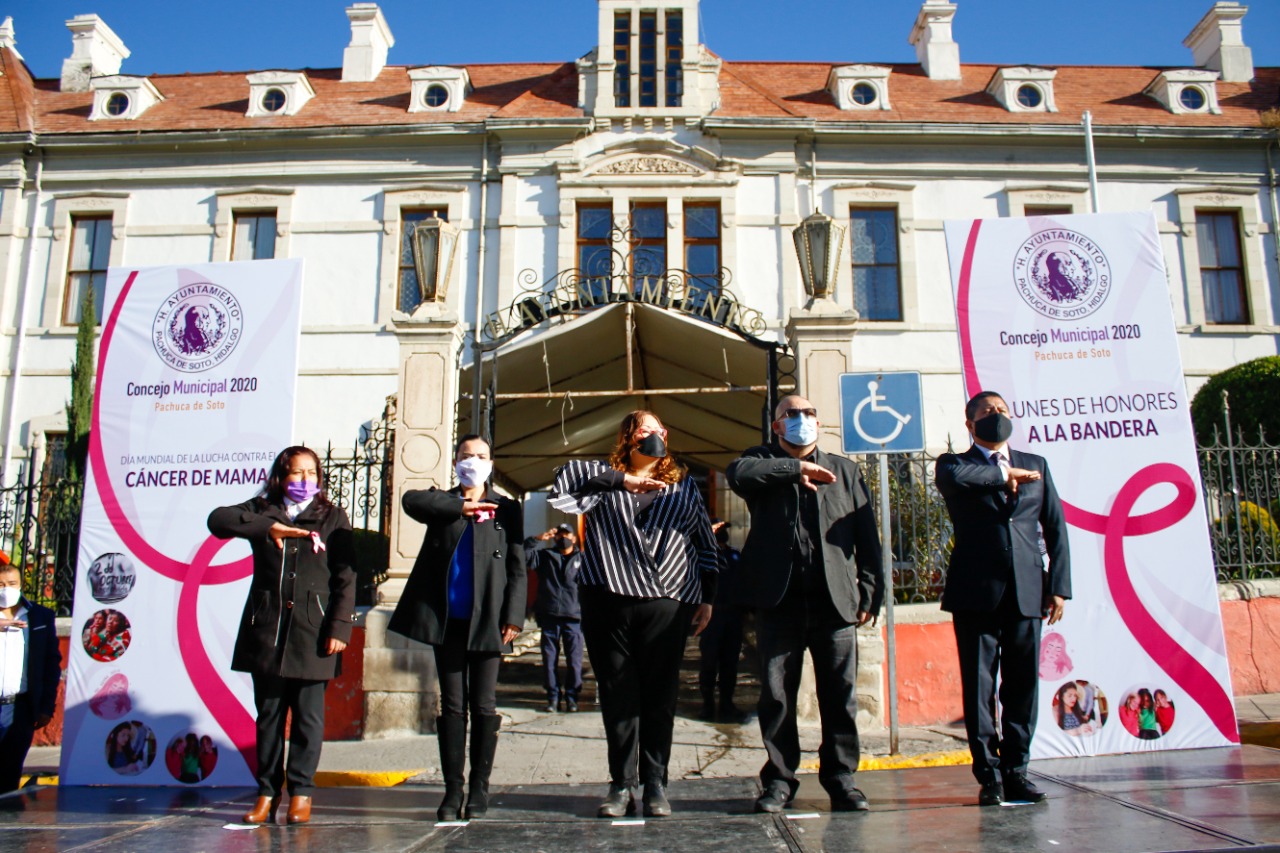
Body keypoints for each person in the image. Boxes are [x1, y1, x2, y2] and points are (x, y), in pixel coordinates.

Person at [551, 410, 719, 819]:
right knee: (617, 694)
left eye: (656, 427)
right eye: (641, 428)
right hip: (607, 597)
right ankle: (621, 784)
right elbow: (563, 484)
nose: (650, 433)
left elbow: (704, 543)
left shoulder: (683, 488)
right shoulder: (601, 478)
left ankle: (656, 783)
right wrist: (622, 479)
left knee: (660, 695)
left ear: (667, 433)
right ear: (627, 437)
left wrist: (708, 598)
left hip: (667, 600)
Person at [726, 394, 885, 814]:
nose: (802, 419)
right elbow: (738, 473)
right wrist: (794, 469)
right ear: (777, 426)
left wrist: (871, 590)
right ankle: (779, 780)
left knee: (840, 696)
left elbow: (867, 535)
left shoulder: (846, 471)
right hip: (779, 603)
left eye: (809, 413)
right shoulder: (760, 464)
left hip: (835, 602)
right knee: (777, 696)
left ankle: (842, 779)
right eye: (791, 414)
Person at [208, 445, 356, 825]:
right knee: (269, 715)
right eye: (296, 473)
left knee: (308, 717)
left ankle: (301, 793)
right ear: (281, 476)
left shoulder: (332, 516)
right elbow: (218, 519)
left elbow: (346, 575)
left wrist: (339, 625)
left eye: (311, 473)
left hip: (314, 631)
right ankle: (267, 792)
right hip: (268, 630)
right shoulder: (262, 509)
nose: (304, 480)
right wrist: (266, 527)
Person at [935, 390, 1071, 806]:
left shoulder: (1036, 465)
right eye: (988, 412)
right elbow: (958, 482)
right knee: (980, 688)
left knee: (1022, 686)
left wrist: (1059, 587)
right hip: (976, 592)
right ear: (969, 421)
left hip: (1028, 590)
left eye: (1003, 411)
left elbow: (1055, 528)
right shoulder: (955, 464)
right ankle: (988, 775)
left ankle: (1017, 770)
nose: (997, 416)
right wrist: (1003, 476)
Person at [388, 434, 526, 822]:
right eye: (467, 455)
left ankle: (480, 787)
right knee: (452, 704)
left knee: (483, 704)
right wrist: (459, 505)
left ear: (491, 462)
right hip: (447, 619)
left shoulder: (506, 508)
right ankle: (453, 789)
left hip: (488, 622)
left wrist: (513, 615)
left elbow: (517, 567)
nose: (474, 461)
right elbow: (411, 501)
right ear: (456, 462)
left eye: (481, 455)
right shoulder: (442, 504)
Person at [0, 559, 61, 792]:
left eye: (12, 583)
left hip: (19, 708)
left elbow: (50, 664)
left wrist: (46, 707)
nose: (6, 589)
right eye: (1, 584)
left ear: (20, 584)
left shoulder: (39, 617)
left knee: (9, 771)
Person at [524, 523, 584, 713]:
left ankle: (572, 697)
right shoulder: (545, 557)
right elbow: (522, 555)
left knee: (574, 662)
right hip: (549, 616)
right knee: (549, 661)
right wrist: (537, 539)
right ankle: (553, 697)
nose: (562, 538)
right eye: (559, 535)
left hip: (574, 618)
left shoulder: (583, 559)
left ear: (574, 538)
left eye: (566, 534)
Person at [697, 519, 748, 723]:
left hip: (733, 615)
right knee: (709, 662)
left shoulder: (735, 555)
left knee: (730, 662)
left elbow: (744, 581)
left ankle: (727, 703)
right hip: (712, 616)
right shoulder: (701, 556)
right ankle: (707, 704)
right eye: (719, 530)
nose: (723, 534)